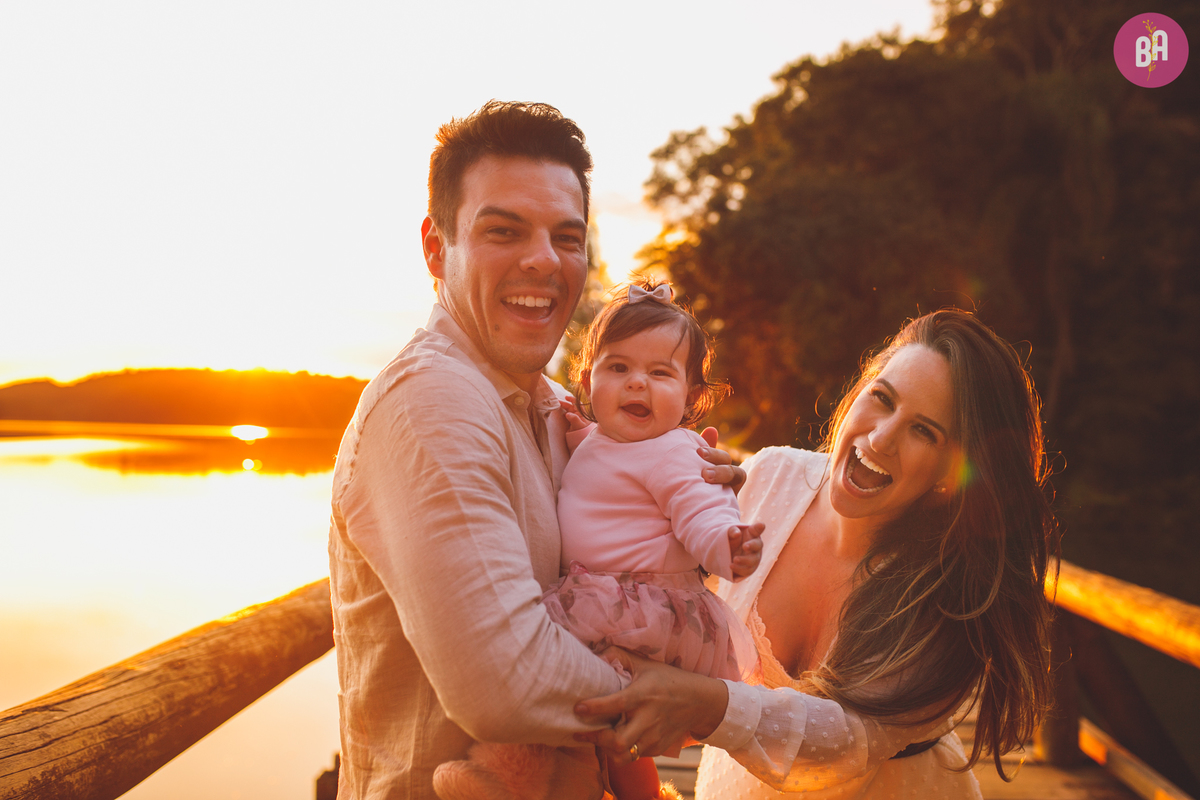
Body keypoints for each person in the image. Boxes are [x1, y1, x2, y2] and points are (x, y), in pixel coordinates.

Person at [327, 100, 753, 800]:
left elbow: (619, 536)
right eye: (503, 231)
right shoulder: (431, 403)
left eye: (567, 236)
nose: (543, 261)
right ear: (438, 249)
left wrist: (690, 500)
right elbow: (506, 682)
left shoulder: (552, 404)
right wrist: (691, 694)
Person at [574, 309, 1058, 799]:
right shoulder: (768, 476)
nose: (882, 438)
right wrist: (666, 488)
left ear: (950, 474)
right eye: (882, 399)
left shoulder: (949, 589)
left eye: (924, 431)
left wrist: (706, 706)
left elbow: (851, 741)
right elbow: (659, 572)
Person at [433, 280, 763, 800]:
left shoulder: (677, 452)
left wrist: (729, 545)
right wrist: (576, 431)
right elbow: (604, 459)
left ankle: (505, 777)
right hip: (613, 600)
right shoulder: (603, 437)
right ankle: (643, 796)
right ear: (588, 383)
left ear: (692, 396)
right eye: (619, 369)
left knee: (544, 671)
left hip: (639, 605)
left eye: (659, 373)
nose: (637, 384)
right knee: (615, 728)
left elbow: (702, 511)